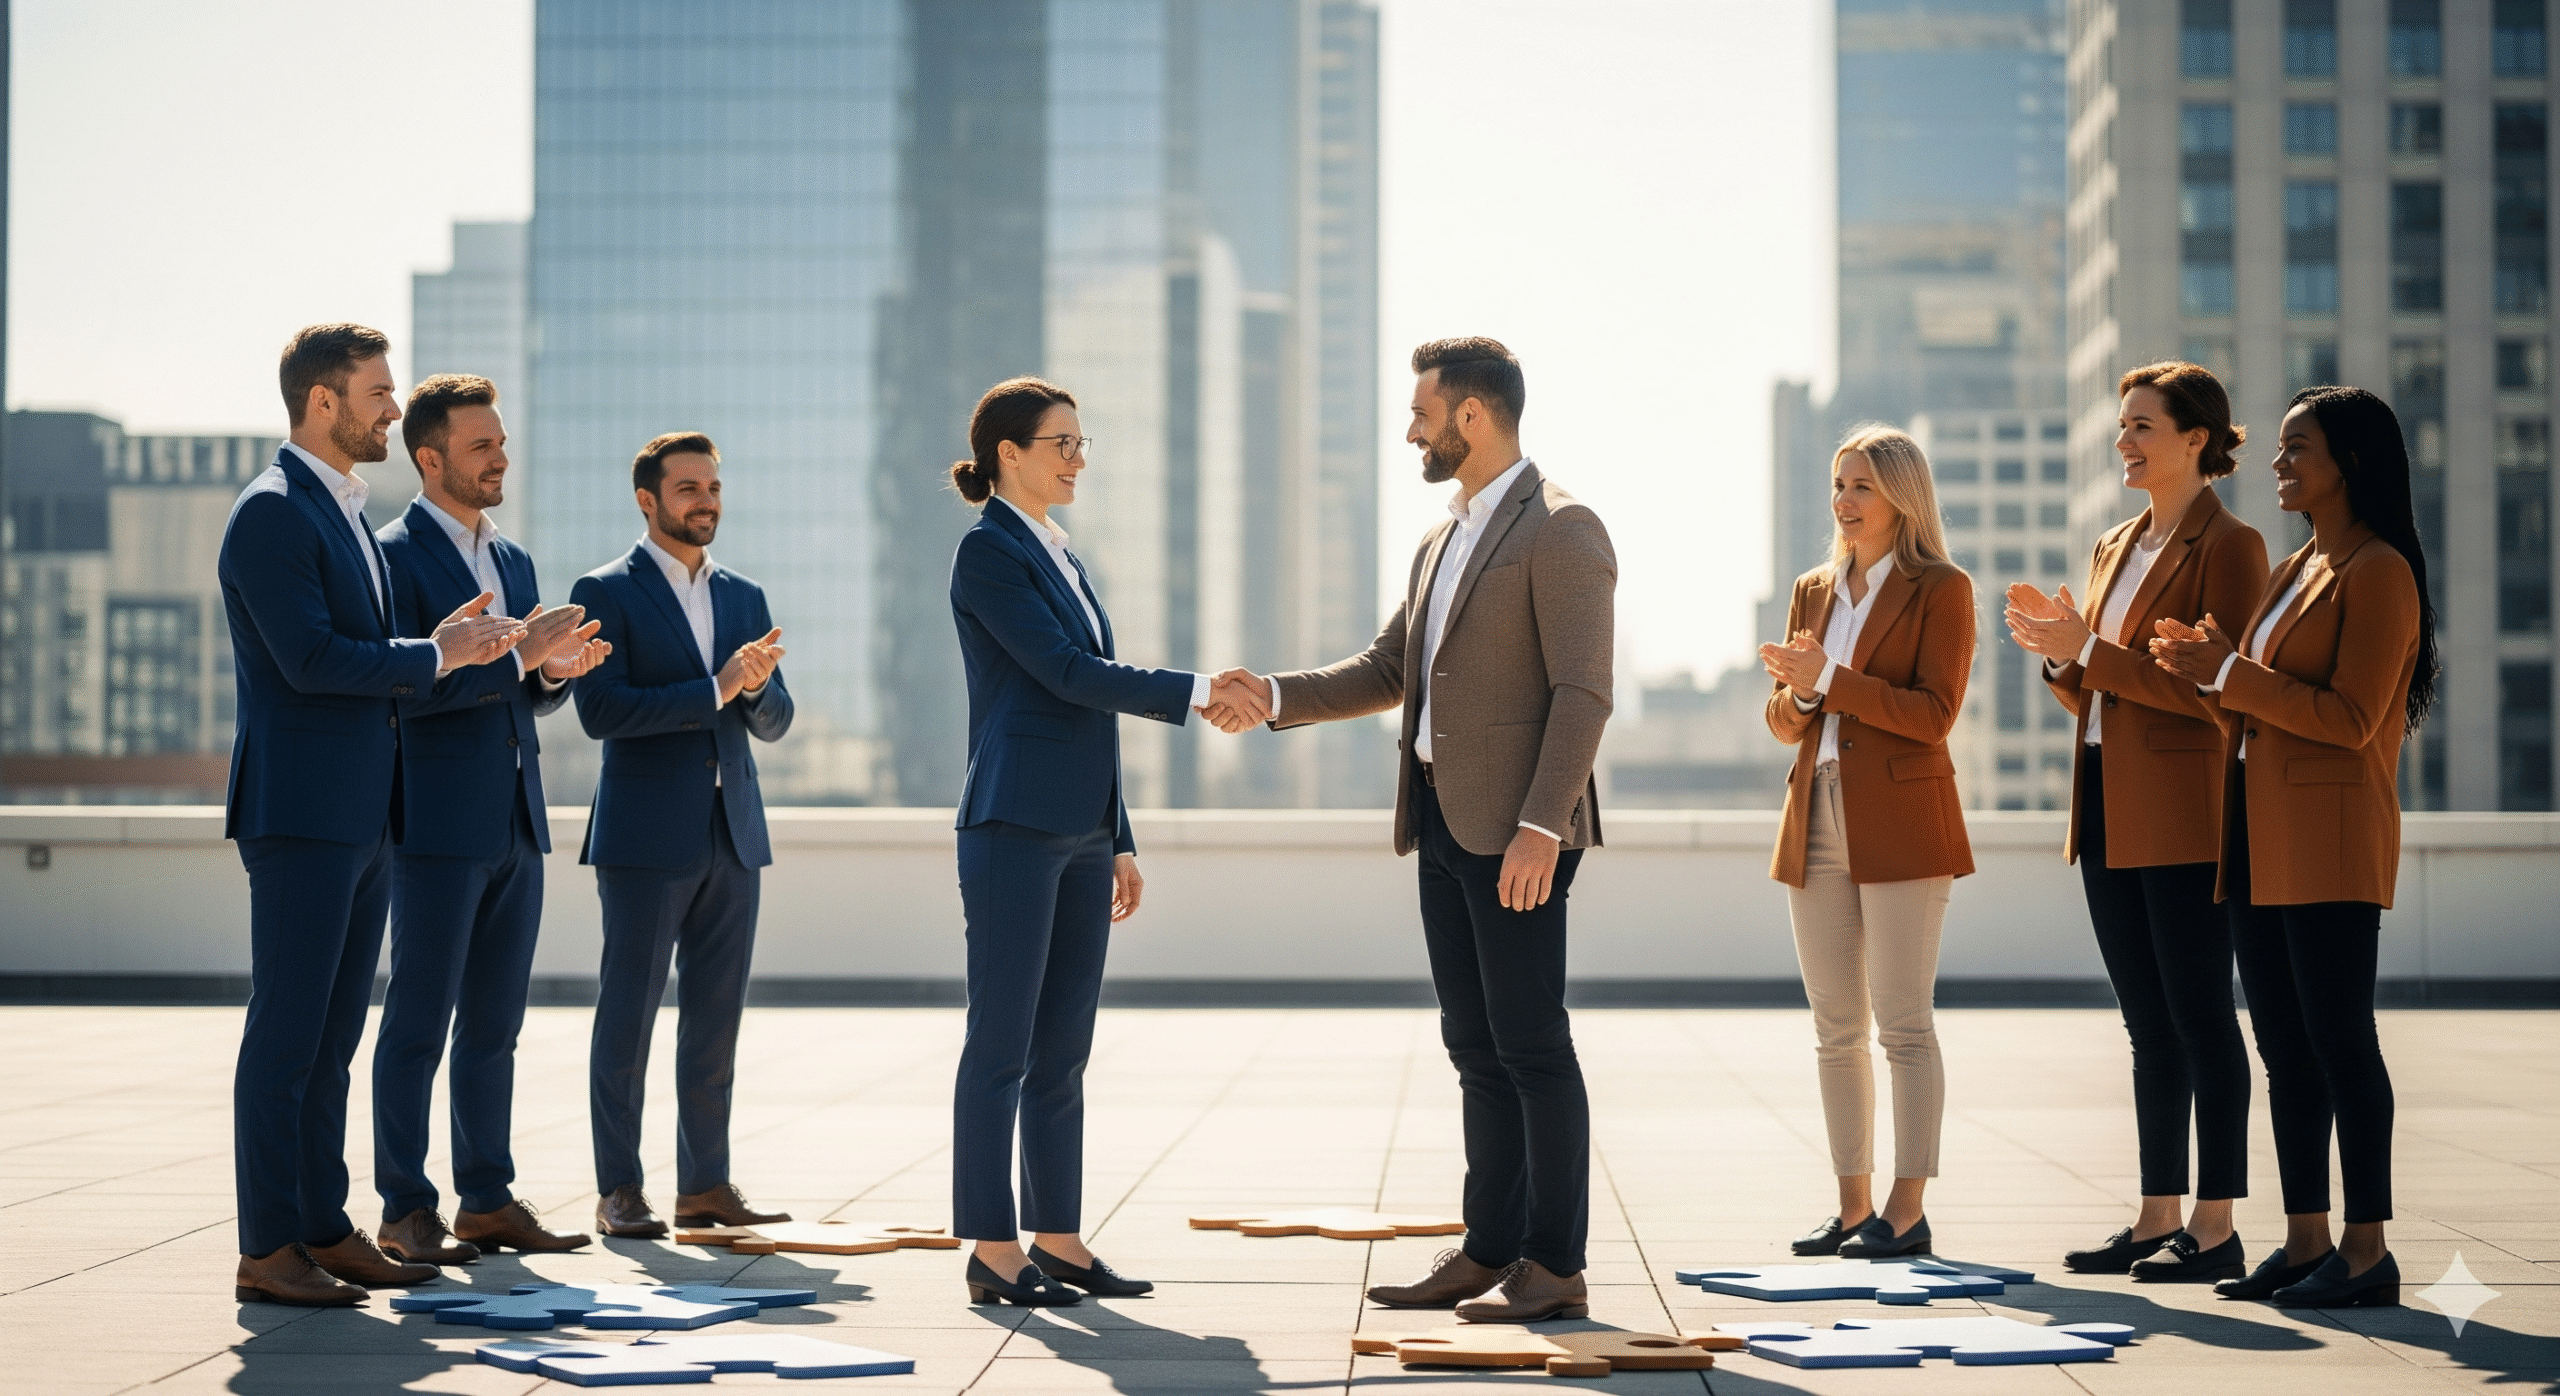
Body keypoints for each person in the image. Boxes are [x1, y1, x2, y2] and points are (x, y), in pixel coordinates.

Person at [1211, 338, 1616, 1324]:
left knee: (1532, 1044)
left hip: (1515, 832)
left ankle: (1554, 1262)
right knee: (1474, 1044)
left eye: (1422, 413)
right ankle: (1488, 1248)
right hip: (1438, 821)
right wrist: (1271, 695)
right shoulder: (1442, 539)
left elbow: (1583, 692)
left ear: (1472, 415)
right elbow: (1391, 665)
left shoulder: (1562, 528)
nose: (1411, 430)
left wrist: (1538, 827)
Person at [220, 324, 527, 1305]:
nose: (392, 408)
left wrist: (462, 649)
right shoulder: (272, 514)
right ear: (322, 401)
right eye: (378, 393)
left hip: (360, 814)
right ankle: (268, 1246)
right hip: (302, 811)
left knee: (332, 1039)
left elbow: (376, 658)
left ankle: (319, 1223)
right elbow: (312, 661)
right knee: (286, 1039)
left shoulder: (340, 509)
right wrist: (436, 653)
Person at [945, 376, 1256, 1307]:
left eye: (1082, 443)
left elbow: (1089, 717)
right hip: (1011, 826)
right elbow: (1067, 676)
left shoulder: (1064, 555)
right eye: (1063, 443)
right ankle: (994, 1252)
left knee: (1064, 1050)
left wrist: (1117, 835)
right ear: (1011, 453)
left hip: (1080, 831)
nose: (1080, 458)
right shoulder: (987, 553)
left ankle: (1060, 1240)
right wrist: (1199, 688)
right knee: (999, 1044)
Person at [2151, 386, 2437, 1309]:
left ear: (2347, 462)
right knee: (2284, 1045)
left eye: (2295, 449)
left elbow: (2352, 719)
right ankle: (2306, 1238)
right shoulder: (2299, 565)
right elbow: (2254, 697)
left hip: (2333, 838)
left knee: (2340, 1042)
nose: (2277, 464)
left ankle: (2366, 1249)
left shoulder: (2379, 570)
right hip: (2261, 838)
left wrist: (2233, 672)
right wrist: (2205, 671)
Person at [2006, 362, 2269, 1283]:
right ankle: (2159, 1213)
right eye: (2122, 427)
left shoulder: (2231, 548)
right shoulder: (2116, 543)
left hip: (2189, 812)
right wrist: (2060, 660)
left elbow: (2217, 696)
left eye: (2141, 427)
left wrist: (2094, 654)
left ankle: (2218, 1222)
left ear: (2196, 438)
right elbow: (2101, 688)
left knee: (2201, 1017)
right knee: (2146, 1024)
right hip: (2108, 802)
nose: (2123, 441)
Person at [370, 375, 608, 1265]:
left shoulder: (513, 562)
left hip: (516, 820)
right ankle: (404, 1208)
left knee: (495, 1026)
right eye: (480, 445)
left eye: (501, 441)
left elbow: (514, 700)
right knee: (419, 1022)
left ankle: (487, 1198)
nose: (499, 456)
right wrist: (519, 667)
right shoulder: (392, 558)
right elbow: (403, 693)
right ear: (429, 458)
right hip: (432, 823)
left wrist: (551, 674)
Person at [571, 432, 795, 1239]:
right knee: (627, 1015)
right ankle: (619, 1189)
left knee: (716, 1018)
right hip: (643, 836)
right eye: (689, 488)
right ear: (648, 499)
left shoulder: (745, 595)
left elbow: (773, 720)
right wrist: (716, 686)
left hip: (732, 831)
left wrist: (755, 692)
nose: (706, 501)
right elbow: (601, 712)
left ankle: (705, 1187)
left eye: (713, 487)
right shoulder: (604, 591)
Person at [1758, 426, 1973, 1262]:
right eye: (1840, 485)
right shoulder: (1814, 590)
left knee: (1904, 1025)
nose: (1844, 503)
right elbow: (1780, 718)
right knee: (1834, 1026)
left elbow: (1933, 715)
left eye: (1862, 488)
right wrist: (1803, 700)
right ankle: (1852, 1209)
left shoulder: (1941, 589)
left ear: (1901, 501)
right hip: (1815, 817)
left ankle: (1907, 1209)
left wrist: (1832, 683)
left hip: (1903, 821)